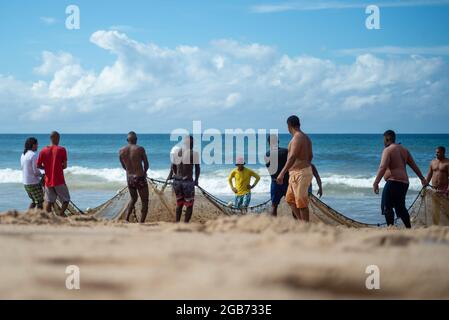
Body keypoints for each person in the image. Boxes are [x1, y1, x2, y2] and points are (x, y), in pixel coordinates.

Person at [373, 130, 427, 228]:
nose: (383, 142)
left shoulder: (388, 150)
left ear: (387, 139)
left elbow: (382, 167)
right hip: (404, 183)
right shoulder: (404, 150)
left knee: (386, 207)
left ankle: (391, 228)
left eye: (384, 140)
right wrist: (422, 178)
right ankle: (408, 228)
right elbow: (414, 166)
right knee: (400, 208)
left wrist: (376, 182)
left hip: (393, 182)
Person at [276, 115, 314, 222]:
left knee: (301, 202)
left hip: (300, 173)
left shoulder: (298, 137)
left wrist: (282, 173)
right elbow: (311, 156)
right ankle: (302, 223)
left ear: (289, 125)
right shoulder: (306, 137)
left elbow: (292, 156)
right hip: (297, 173)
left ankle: (306, 227)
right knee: (290, 200)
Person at [166, 136, 200, 223]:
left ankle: (177, 222)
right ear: (191, 144)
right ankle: (185, 224)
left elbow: (172, 166)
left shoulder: (178, 152)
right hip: (187, 183)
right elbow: (197, 168)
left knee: (179, 203)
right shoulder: (194, 153)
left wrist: (170, 175)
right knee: (189, 205)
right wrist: (196, 180)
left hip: (177, 182)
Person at [37, 131, 71, 215]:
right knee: (66, 200)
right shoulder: (62, 149)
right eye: (58, 138)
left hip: (48, 181)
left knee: (49, 201)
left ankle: (47, 218)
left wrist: (47, 168)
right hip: (59, 180)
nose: (59, 140)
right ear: (56, 138)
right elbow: (65, 166)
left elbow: (38, 165)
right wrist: (58, 168)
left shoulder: (43, 151)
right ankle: (60, 215)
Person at [119, 131, 149, 223]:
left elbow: (123, 166)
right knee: (144, 201)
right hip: (139, 177)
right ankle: (141, 223)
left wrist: (129, 172)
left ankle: (127, 218)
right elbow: (146, 164)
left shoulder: (121, 151)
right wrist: (144, 172)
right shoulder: (140, 149)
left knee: (133, 198)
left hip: (129, 178)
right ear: (136, 139)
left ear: (127, 140)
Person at [265, 134, 289, 216]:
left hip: (275, 183)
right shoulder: (285, 152)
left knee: (274, 206)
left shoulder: (267, 155)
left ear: (268, 143)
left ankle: (274, 225)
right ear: (278, 141)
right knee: (294, 205)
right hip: (287, 182)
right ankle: (297, 224)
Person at [425, 146, 449, 225]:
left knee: (446, 209)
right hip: (434, 189)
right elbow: (429, 174)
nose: (436, 153)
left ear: (443, 152)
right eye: (436, 152)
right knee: (435, 210)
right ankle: (435, 227)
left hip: (445, 189)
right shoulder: (432, 162)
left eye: (438, 152)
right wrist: (425, 183)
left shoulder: (447, 162)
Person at [20, 137, 44, 209]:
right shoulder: (33, 155)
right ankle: (40, 217)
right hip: (33, 183)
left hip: (25, 183)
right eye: (37, 144)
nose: (38, 146)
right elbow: (36, 171)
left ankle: (28, 215)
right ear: (33, 145)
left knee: (34, 200)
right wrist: (43, 175)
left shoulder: (23, 154)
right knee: (40, 202)